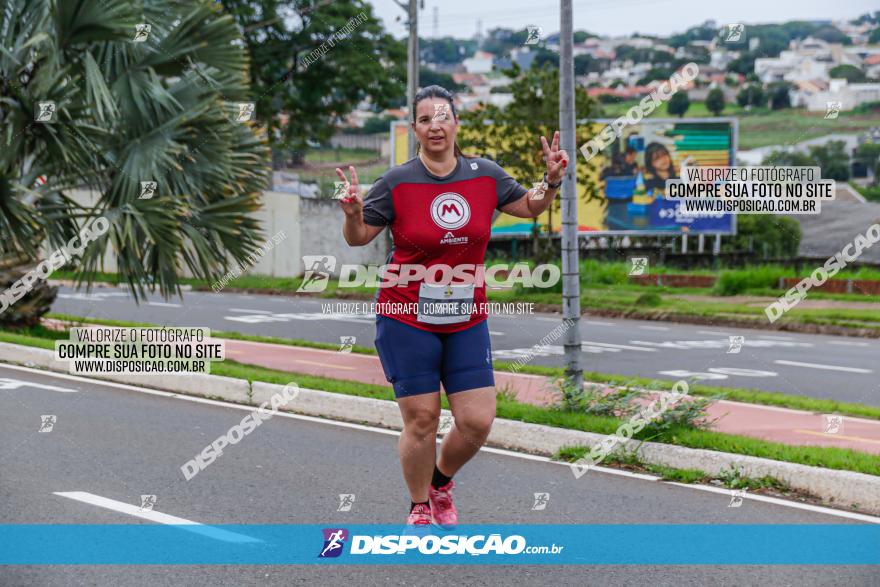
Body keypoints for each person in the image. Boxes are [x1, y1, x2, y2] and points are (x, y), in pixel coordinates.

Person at [336, 85, 568, 528]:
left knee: (477, 420)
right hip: (406, 315)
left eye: (442, 116)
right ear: (415, 130)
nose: (434, 125)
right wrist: (352, 212)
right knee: (422, 419)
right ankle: (420, 505)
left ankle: (441, 481)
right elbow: (360, 236)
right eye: (425, 119)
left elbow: (529, 205)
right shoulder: (397, 181)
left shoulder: (485, 174)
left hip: (465, 316)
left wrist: (552, 180)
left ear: (456, 123)